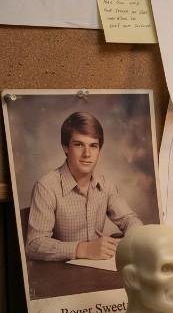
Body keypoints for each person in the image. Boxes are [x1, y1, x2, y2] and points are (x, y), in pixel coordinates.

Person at [26, 112, 144, 263]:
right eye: (79, 144)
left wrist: (131, 240)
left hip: (98, 268)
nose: (87, 154)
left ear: (99, 150)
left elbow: (129, 219)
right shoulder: (46, 187)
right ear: (66, 147)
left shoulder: (106, 185)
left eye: (93, 146)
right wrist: (83, 249)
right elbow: (34, 245)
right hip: (61, 272)